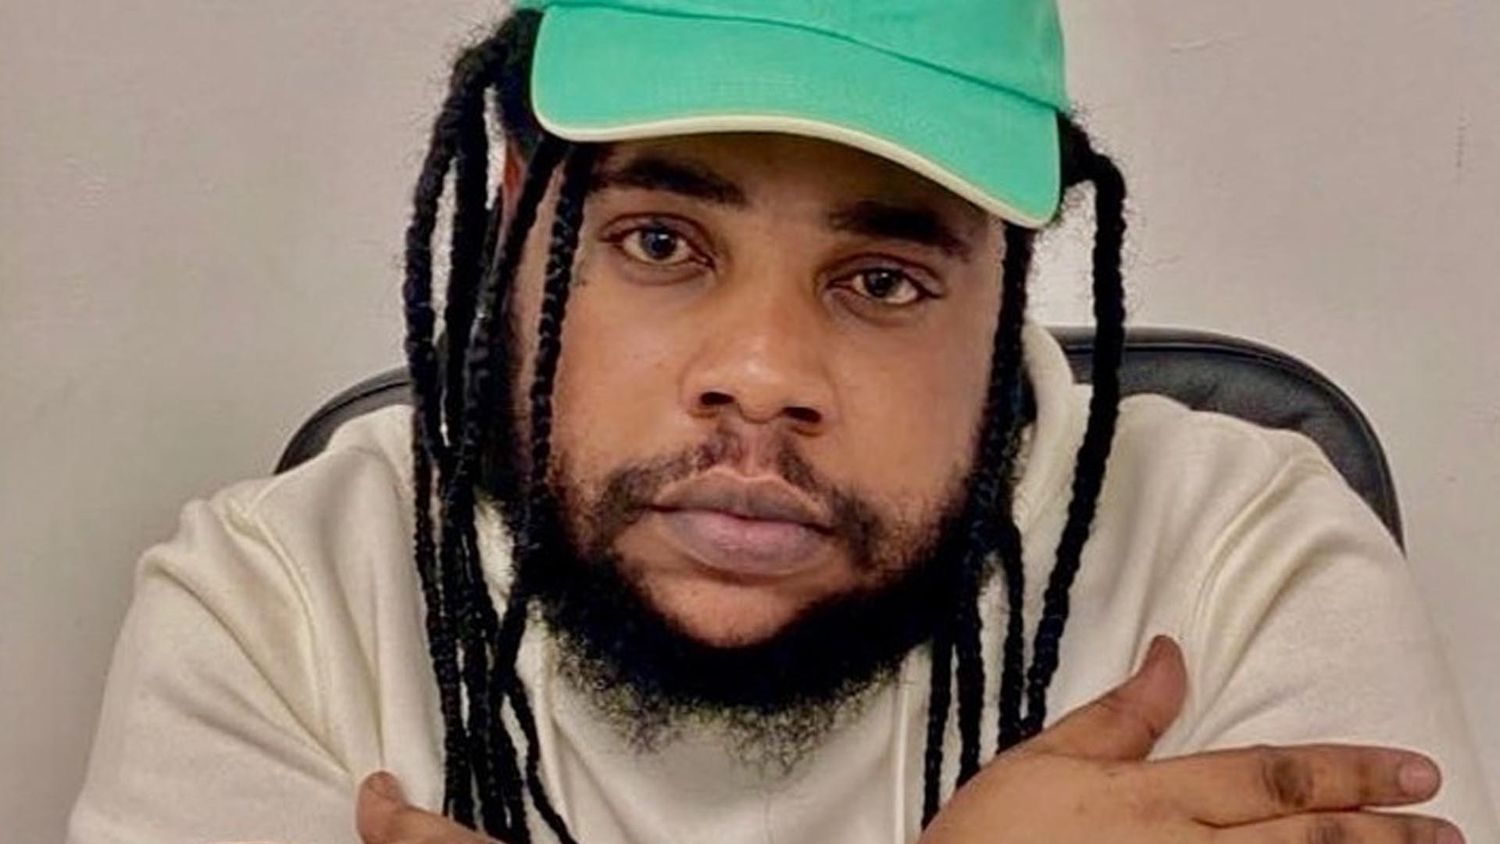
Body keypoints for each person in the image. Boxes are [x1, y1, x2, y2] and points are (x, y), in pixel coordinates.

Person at [69, 1, 1497, 842]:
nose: (762, 376)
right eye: (659, 243)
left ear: (1008, 285)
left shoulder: (1244, 559)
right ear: (515, 222)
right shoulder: (277, 606)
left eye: (882, 280)